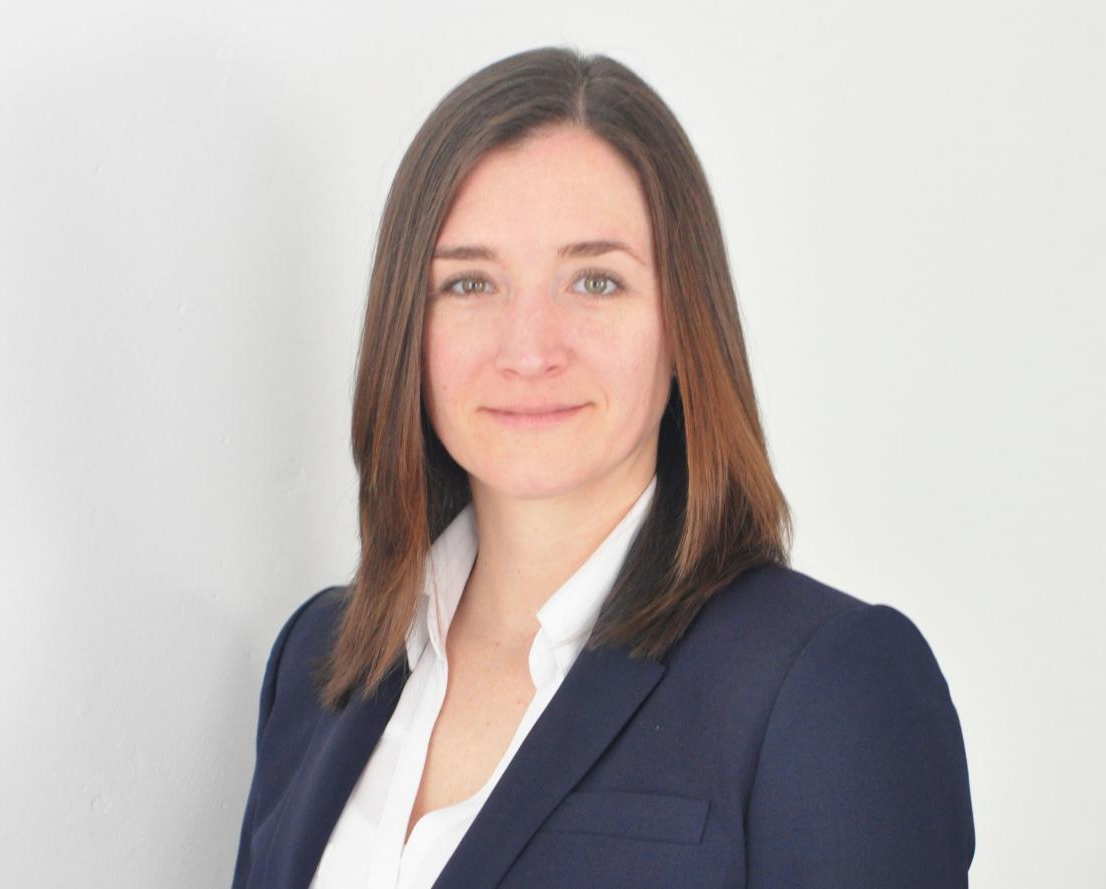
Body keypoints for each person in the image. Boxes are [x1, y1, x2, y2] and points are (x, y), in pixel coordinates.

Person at [230, 46, 975, 889]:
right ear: (410, 327)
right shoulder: (320, 660)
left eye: (595, 281)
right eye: (470, 285)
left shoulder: (824, 687)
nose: (529, 348)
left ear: (685, 326)